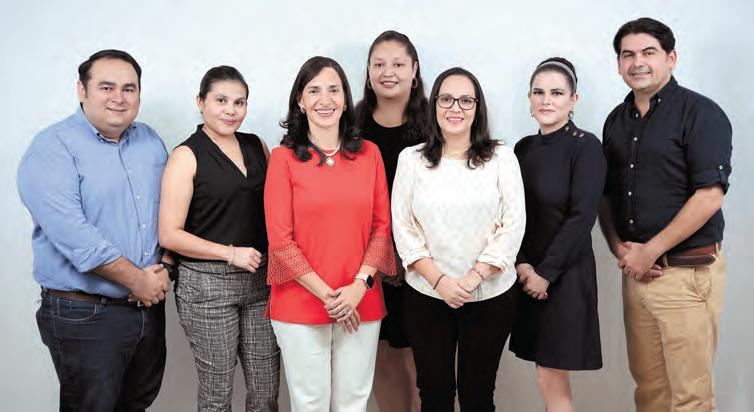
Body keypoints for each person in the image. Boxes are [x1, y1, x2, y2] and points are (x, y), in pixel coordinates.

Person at [17, 49, 170, 411]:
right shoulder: (52, 146)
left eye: (129, 89)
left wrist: (166, 268)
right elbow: (74, 234)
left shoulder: (150, 142)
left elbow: (171, 214)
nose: (119, 98)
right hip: (85, 314)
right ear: (81, 90)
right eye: (106, 87)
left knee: (136, 404)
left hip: (147, 309)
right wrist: (137, 279)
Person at [599, 17, 732, 412]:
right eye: (628, 55)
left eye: (648, 52)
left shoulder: (701, 113)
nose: (637, 62)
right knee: (649, 390)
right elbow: (605, 195)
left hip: (686, 275)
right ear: (619, 64)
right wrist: (619, 248)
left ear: (671, 58)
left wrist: (650, 250)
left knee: (691, 396)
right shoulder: (615, 121)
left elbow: (709, 196)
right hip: (636, 274)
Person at [264, 56, 396, 411]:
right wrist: (333, 299)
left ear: (345, 99)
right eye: (314, 91)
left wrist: (357, 288)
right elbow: (280, 242)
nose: (325, 99)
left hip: (361, 299)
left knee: (353, 402)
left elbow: (381, 229)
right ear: (300, 101)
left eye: (334, 90)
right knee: (310, 403)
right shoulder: (283, 158)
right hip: (300, 302)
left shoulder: (370, 155)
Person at [392, 67, 526, 411]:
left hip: (489, 295)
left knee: (477, 396)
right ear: (434, 105)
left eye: (466, 100)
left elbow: (513, 226)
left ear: (477, 108)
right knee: (434, 395)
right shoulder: (411, 160)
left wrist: (472, 279)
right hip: (427, 294)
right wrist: (440, 282)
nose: (456, 108)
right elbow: (403, 229)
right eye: (447, 99)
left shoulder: (501, 158)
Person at [158, 66, 280, 411]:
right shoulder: (186, 155)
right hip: (207, 286)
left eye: (239, 102)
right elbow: (169, 234)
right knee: (217, 392)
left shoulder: (257, 145)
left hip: (260, 281)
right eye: (221, 100)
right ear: (201, 102)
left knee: (266, 390)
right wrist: (229, 253)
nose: (231, 110)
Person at [509, 57, 605, 412]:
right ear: (529, 98)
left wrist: (545, 273)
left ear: (573, 100)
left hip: (564, 275)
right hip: (526, 273)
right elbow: (512, 214)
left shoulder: (586, 147)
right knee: (543, 371)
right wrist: (522, 264)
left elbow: (582, 217)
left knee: (550, 374)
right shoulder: (522, 149)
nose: (546, 100)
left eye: (557, 93)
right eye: (539, 92)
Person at [354, 29, 427, 412]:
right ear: (368, 72)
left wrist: (410, 256)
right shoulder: (351, 126)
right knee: (380, 354)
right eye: (379, 64)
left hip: (425, 263)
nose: (388, 72)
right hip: (366, 263)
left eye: (398, 64)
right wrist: (378, 259)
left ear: (414, 70)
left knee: (423, 359)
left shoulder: (435, 122)